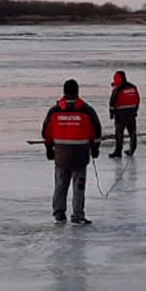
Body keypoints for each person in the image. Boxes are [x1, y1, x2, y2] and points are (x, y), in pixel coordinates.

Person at [42, 79, 102, 225]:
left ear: (64, 91)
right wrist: (95, 148)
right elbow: (97, 131)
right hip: (80, 156)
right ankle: (77, 215)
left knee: (60, 185)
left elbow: (46, 132)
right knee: (79, 187)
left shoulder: (54, 111)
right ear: (77, 91)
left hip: (61, 155)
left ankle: (59, 214)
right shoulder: (86, 110)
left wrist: (49, 149)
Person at [107, 70, 141, 158]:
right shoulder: (133, 87)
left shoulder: (118, 89)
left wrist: (111, 113)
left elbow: (112, 101)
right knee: (132, 132)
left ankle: (118, 151)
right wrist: (135, 111)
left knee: (119, 133)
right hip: (131, 113)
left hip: (120, 114)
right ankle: (132, 149)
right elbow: (137, 100)